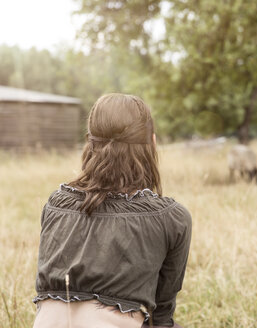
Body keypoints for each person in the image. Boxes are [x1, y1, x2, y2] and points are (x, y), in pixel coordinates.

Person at [33, 94, 192, 328]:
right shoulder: (171, 217)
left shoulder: (55, 204)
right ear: (153, 143)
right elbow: (161, 316)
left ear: (89, 143)